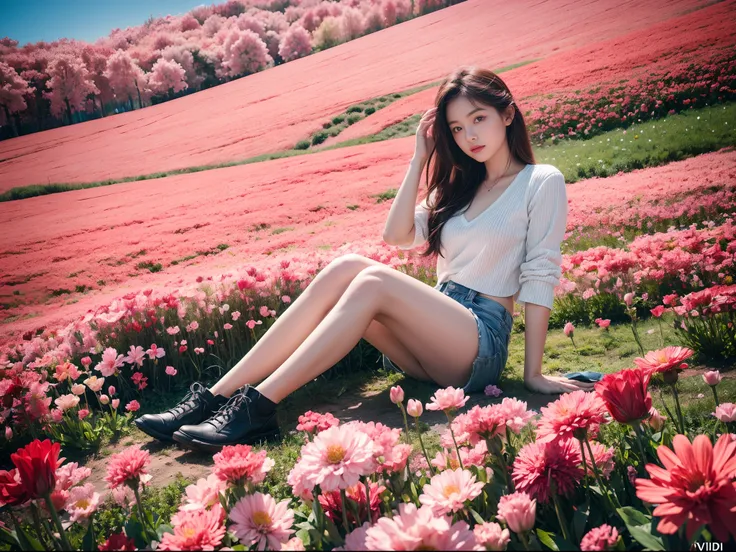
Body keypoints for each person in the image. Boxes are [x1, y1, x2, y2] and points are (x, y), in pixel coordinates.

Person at [134, 65, 595, 453]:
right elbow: (395, 235)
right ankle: (213, 399)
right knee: (347, 267)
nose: (469, 135)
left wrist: (532, 373)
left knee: (370, 281)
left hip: (480, 342)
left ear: (508, 114)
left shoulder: (540, 181)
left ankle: (257, 408)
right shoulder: (459, 187)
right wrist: (419, 159)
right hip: (434, 338)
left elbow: (539, 274)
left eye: (478, 119)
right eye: (456, 128)